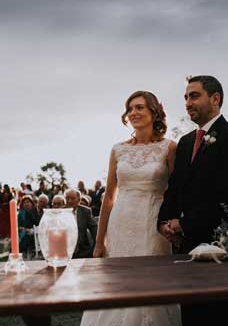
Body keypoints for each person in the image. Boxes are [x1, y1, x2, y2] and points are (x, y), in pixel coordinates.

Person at [157, 76, 228, 325]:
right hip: (187, 246)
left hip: (219, 243)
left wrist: (185, 224)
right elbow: (175, 186)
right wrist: (165, 222)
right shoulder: (187, 142)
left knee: (224, 314)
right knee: (193, 313)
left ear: (215, 98)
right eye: (186, 97)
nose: (188, 102)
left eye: (194, 95)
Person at [81, 90, 179, 326]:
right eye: (130, 108)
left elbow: (176, 193)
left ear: (154, 112)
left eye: (139, 107)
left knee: (151, 283)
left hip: (153, 222)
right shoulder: (118, 149)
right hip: (120, 221)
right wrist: (99, 241)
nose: (133, 113)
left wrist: (174, 227)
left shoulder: (169, 148)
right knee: (117, 280)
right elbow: (109, 197)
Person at [65, 189, 97, 259]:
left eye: (72, 198)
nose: (69, 201)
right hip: (64, 251)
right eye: (67, 198)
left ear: (79, 200)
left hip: (83, 251)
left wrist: (95, 247)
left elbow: (95, 229)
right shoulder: (61, 212)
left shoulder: (85, 211)